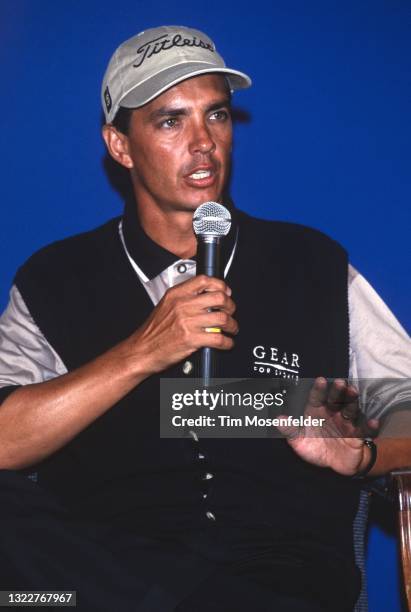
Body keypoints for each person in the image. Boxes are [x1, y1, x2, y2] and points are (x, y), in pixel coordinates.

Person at [0, 25, 409, 612]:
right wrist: (141, 353)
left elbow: (406, 405)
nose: (203, 144)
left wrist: (361, 454)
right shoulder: (54, 278)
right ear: (120, 145)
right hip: (102, 567)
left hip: (275, 575)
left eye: (216, 116)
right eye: (170, 121)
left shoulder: (312, 262)